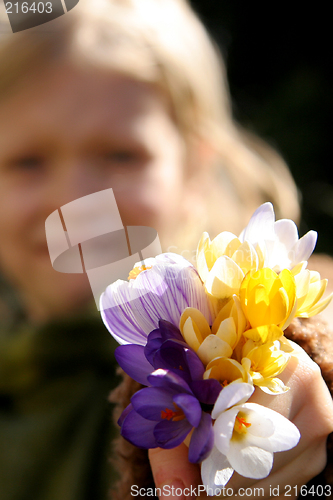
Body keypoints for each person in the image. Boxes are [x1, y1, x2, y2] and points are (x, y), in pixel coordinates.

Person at [0, 0, 332, 499]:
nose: (73, 201)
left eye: (120, 155)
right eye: (26, 162)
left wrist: (283, 382)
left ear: (195, 168)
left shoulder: (256, 312)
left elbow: (299, 364)